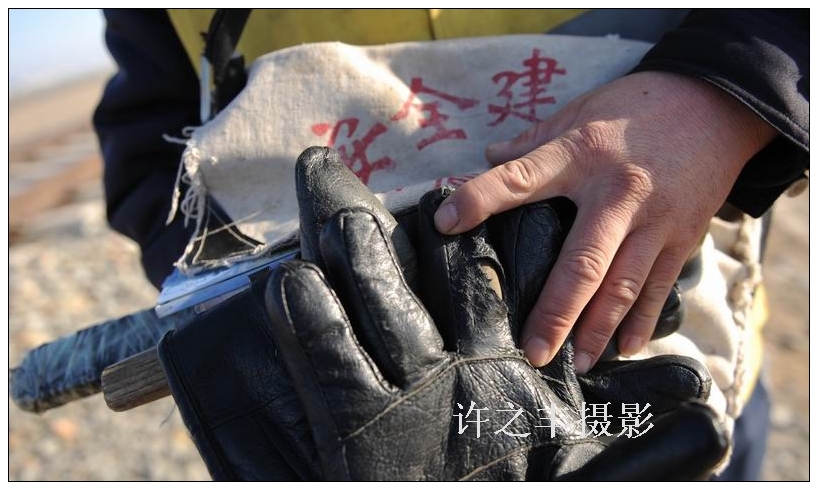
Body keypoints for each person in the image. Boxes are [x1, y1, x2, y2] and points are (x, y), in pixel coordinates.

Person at [92, 9, 809, 480]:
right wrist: (254, 329)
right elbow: (151, 145)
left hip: (668, 341)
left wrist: (727, 96)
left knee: (691, 430)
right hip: (372, 405)